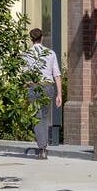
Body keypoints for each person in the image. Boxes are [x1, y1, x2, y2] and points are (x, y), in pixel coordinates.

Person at [23, 27, 63, 158]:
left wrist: (24, 91)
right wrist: (59, 94)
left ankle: (42, 147)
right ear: (42, 38)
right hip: (47, 87)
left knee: (36, 118)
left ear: (31, 39)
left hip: (33, 86)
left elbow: (24, 75)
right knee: (44, 117)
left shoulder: (26, 54)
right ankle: (44, 146)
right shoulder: (51, 53)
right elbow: (56, 74)